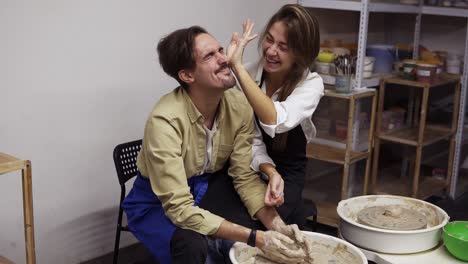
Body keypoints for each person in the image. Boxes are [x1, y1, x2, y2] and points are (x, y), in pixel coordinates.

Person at [121, 26, 309, 264]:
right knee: (192, 244)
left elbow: (244, 176)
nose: (225, 58)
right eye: (210, 56)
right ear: (187, 76)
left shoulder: (238, 104)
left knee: (256, 225)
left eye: (221, 50)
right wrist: (257, 238)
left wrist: (277, 226)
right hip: (155, 202)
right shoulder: (165, 120)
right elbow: (179, 209)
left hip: (203, 187)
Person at [227, 4, 324, 229]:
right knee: (230, 225)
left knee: (261, 229)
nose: (271, 51)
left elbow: (275, 120)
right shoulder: (250, 74)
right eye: (269, 40)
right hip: (249, 166)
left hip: (288, 174)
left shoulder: (311, 84)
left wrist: (237, 68)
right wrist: (268, 170)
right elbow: (250, 139)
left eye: (283, 47)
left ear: (301, 54)